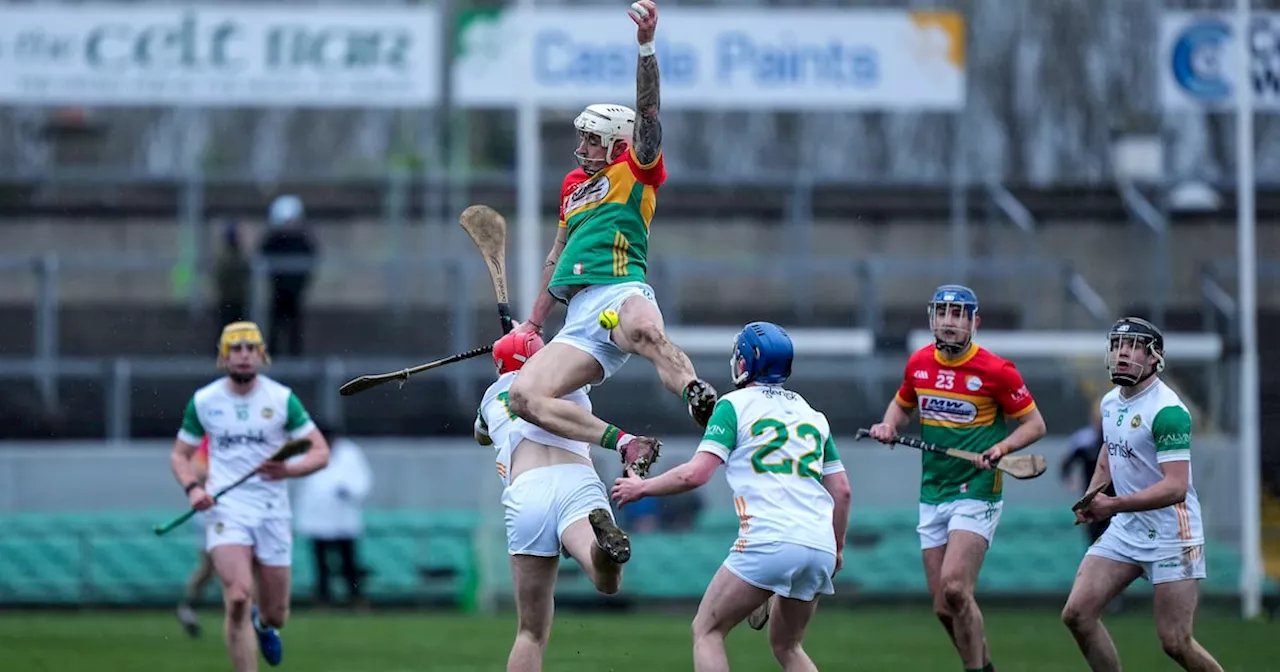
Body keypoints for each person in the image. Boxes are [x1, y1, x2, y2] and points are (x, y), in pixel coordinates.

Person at [505, 0, 717, 479]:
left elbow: (648, 109)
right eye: (581, 138)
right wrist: (533, 326)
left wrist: (646, 46)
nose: (581, 148)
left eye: (592, 140)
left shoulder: (637, 170)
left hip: (622, 292)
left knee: (645, 333)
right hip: (578, 318)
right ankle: (626, 443)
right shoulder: (571, 187)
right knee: (523, 396)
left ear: (619, 143)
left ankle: (695, 393)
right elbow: (557, 255)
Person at [612, 321, 851, 672]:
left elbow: (696, 474)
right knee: (788, 646)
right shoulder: (813, 415)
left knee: (707, 630)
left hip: (769, 540)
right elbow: (842, 491)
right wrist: (838, 547)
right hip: (820, 546)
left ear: (747, 362)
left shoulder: (733, 405)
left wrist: (642, 487)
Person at [868, 285, 1047, 672]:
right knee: (944, 608)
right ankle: (984, 667)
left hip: (978, 490)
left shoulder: (997, 371)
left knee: (955, 588)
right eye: (943, 313)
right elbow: (902, 406)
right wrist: (887, 426)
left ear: (974, 322)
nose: (949, 322)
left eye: (959, 314)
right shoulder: (918, 364)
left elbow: (1035, 425)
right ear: (932, 318)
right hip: (933, 489)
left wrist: (1000, 449)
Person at [1061, 317, 1223, 672]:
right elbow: (1110, 449)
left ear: (1154, 358)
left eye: (1133, 346)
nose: (1122, 354)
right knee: (1077, 614)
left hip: (1172, 535)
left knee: (1175, 642)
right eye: (1117, 346)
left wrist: (1112, 505)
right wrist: (1091, 496)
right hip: (1127, 528)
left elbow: (1175, 487)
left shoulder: (1168, 411)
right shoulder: (1109, 402)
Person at [168, 321, 331, 671]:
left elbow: (320, 452)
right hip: (226, 509)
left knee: (277, 614)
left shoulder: (282, 399)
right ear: (224, 357)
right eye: (235, 349)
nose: (243, 356)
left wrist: (287, 470)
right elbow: (180, 455)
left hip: (273, 510)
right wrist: (193, 489)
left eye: (250, 348)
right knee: (238, 596)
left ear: (261, 354)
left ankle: (264, 624)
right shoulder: (205, 401)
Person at [475, 330, 632, 672]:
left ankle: (601, 550)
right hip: (576, 481)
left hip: (527, 491)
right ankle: (600, 551)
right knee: (607, 583)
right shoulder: (568, 379)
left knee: (530, 632)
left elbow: (482, 435)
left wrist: (513, 347)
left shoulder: (491, 398)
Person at [294, 429, 374, 610]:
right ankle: (323, 599)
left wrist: (349, 490)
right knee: (321, 564)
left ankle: (356, 599)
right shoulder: (307, 449)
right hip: (317, 518)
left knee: (349, 562)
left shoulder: (350, 453)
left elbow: (362, 479)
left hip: (343, 517)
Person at [258, 195, 317, 357]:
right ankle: (272, 355)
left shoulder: (303, 240)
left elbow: (311, 256)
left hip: (295, 291)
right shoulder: (274, 240)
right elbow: (263, 254)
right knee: (274, 326)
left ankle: (295, 356)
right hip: (278, 289)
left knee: (295, 327)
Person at [176, 433, 216, 639]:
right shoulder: (211, 438)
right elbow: (198, 470)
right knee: (211, 566)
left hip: (245, 511)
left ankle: (252, 618)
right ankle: (188, 606)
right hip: (212, 512)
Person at [1061, 402, 1112, 547]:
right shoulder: (1084, 441)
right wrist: (1069, 480)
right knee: (1095, 541)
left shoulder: (1119, 439)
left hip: (1118, 500)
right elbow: (1067, 463)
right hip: (1093, 500)